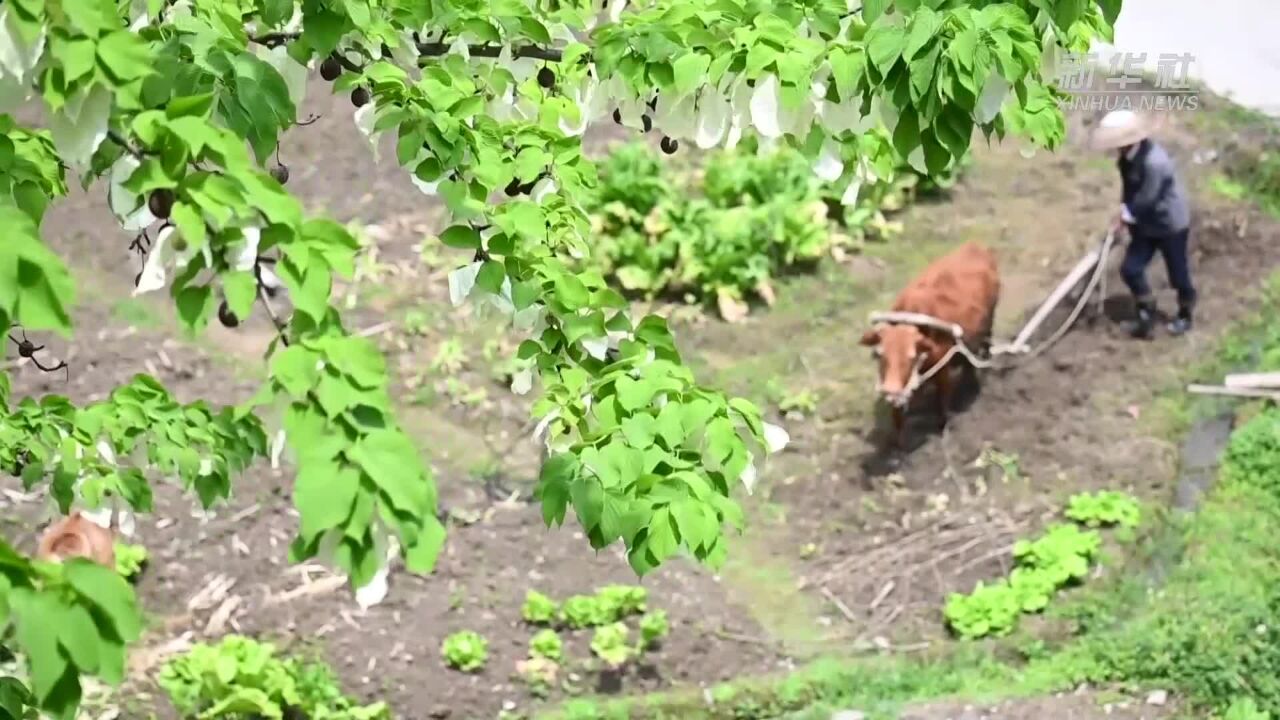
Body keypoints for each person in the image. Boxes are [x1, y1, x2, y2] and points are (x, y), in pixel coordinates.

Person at [1088, 109, 1195, 339]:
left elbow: (1148, 196)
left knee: (1178, 273)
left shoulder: (1155, 162)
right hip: (1145, 223)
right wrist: (1123, 213)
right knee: (1131, 269)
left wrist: (1126, 215)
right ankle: (1146, 312)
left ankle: (1185, 315)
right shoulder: (1126, 159)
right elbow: (1131, 191)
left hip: (1170, 224)